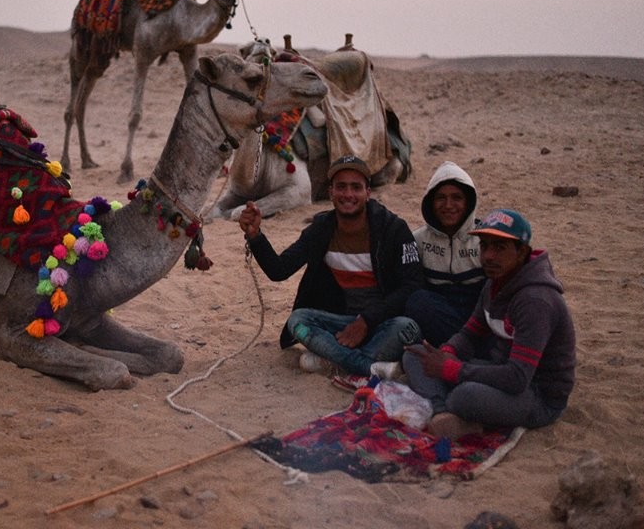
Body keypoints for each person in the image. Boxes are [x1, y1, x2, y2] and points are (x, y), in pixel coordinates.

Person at [238, 154, 423, 386]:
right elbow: (279, 270)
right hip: (340, 325)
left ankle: (334, 361)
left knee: (407, 328)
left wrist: (366, 321)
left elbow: (412, 286)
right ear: (330, 193)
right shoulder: (321, 229)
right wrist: (255, 236)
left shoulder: (393, 229)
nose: (348, 195)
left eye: (356, 187)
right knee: (298, 321)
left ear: (368, 192)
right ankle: (367, 367)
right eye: (341, 187)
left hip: (382, 323)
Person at [403, 209, 576, 439]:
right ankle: (444, 414)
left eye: (500, 248)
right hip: (498, 369)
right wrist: (447, 352)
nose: (488, 256)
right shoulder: (495, 282)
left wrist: (453, 370)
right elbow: (471, 333)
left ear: (522, 252)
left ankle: (454, 412)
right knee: (414, 356)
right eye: (484, 246)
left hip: (536, 394)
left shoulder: (535, 301)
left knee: (464, 396)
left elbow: (517, 378)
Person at [406, 161, 485, 346]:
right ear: (430, 202)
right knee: (417, 302)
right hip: (440, 316)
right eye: (440, 197)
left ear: (468, 202)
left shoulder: (484, 239)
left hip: (480, 317)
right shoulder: (418, 240)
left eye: (457, 197)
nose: (448, 205)